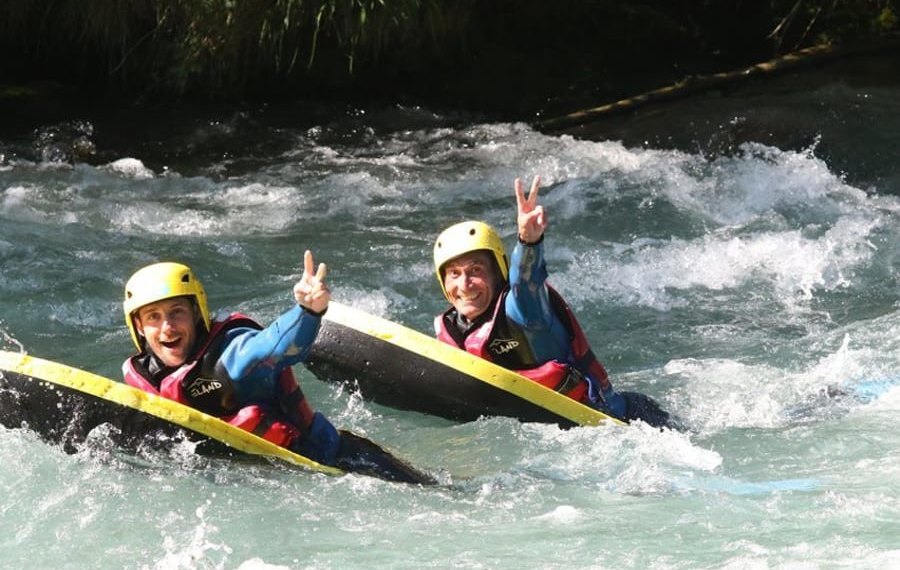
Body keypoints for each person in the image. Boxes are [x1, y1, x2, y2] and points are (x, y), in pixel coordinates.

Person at [122, 251, 435, 484]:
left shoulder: (233, 354)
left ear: (197, 312)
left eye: (176, 312)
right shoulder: (143, 378)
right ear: (137, 326)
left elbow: (277, 345)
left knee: (443, 494)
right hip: (269, 476)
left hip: (343, 461)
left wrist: (307, 312)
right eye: (153, 317)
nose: (166, 328)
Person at [432, 175, 672, 428]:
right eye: (454, 274)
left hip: (625, 420)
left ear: (498, 273)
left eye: (476, 270)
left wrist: (529, 242)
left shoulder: (522, 309)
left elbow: (527, 281)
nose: (464, 284)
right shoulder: (452, 331)